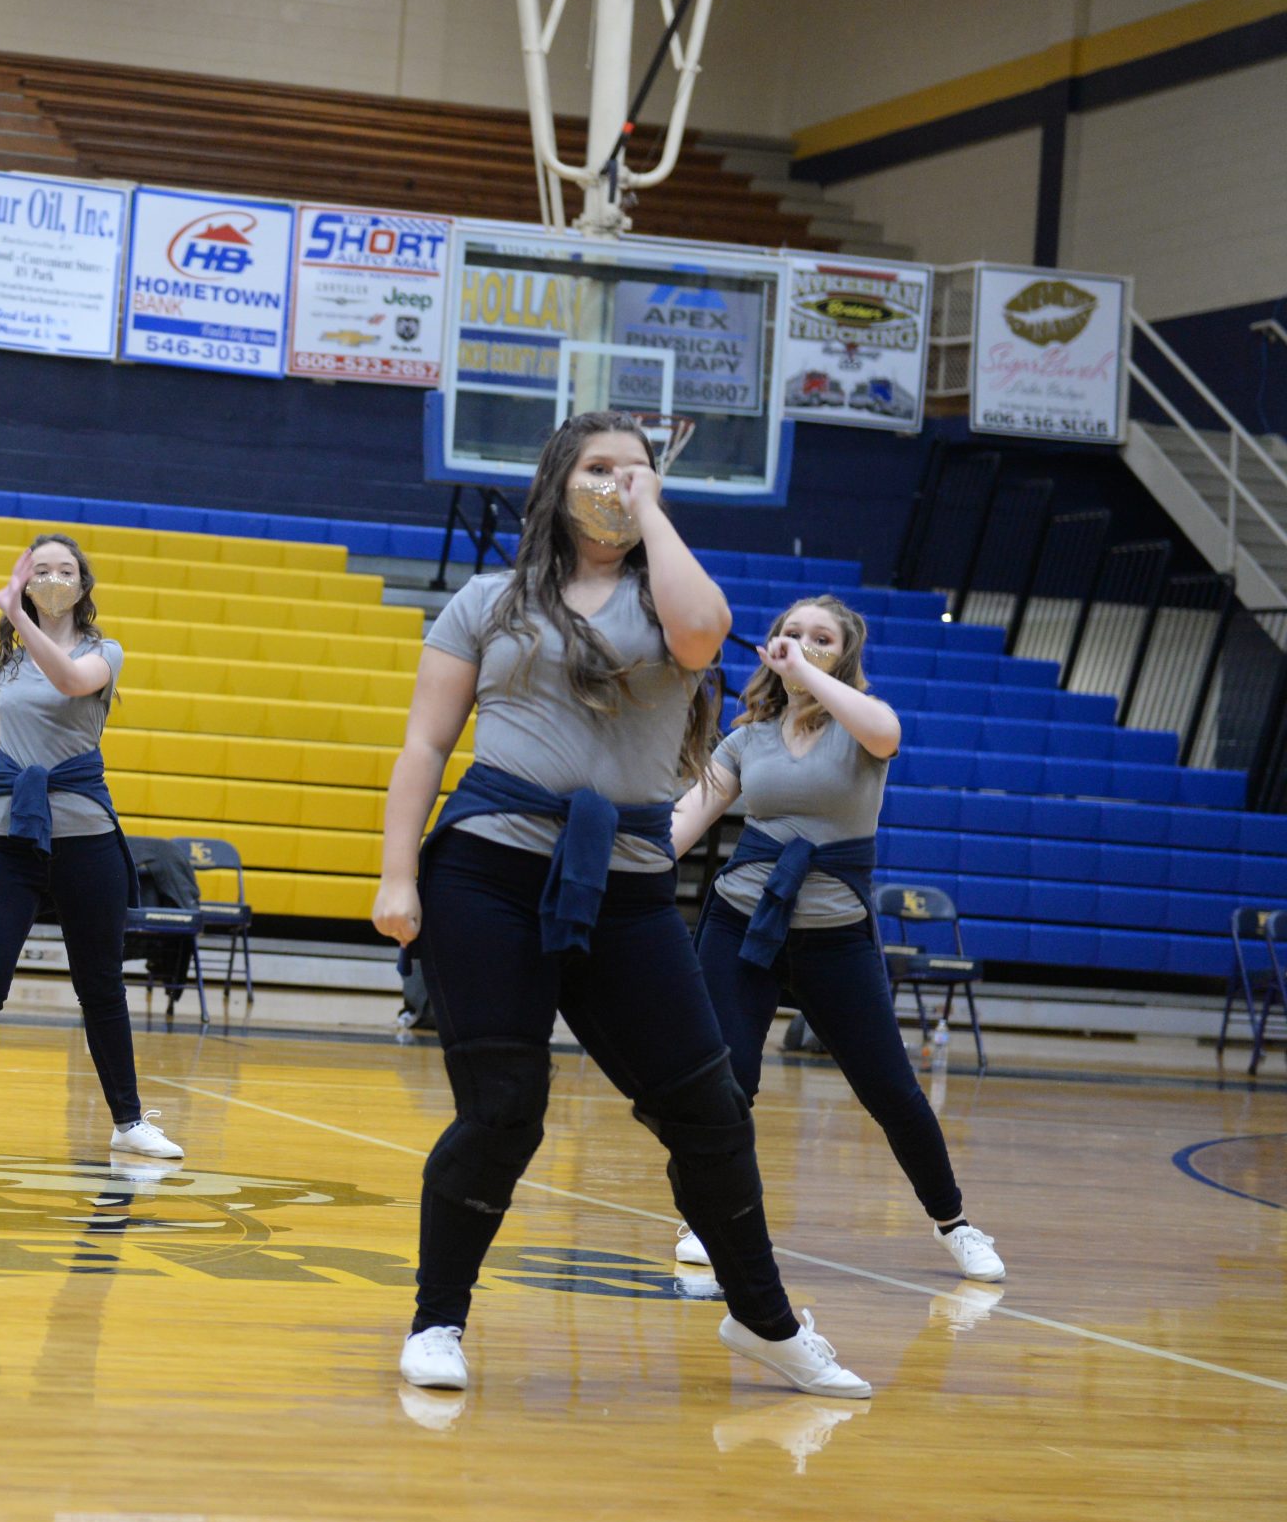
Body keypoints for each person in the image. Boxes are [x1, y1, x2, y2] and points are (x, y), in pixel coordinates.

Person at [371, 411, 865, 1399]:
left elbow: (703, 631)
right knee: (503, 1109)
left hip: (629, 884)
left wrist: (651, 513)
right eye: (597, 467)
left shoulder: (668, 598)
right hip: (486, 872)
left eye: (635, 471)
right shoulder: (486, 600)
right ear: (557, 481)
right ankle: (437, 1319)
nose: (615, 483)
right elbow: (425, 742)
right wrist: (397, 875)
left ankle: (764, 1321)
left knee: (710, 1111)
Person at [671, 595, 1004, 1283]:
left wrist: (808, 674)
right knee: (726, 1082)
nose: (802, 643)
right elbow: (683, 821)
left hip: (835, 933)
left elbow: (886, 731)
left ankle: (955, 1221)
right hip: (741, 921)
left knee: (891, 1090)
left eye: (821, 637)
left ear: (845, 656)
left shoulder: (861, 724)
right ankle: (709, 1215)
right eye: (790, 632)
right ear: (770, 647)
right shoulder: (746, 739)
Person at [0, 535, 182, 1161]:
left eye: (66, 570)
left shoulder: (104, 652)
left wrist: (17, 620)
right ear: (26, 584)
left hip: (87, 839)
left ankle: (128, 1121)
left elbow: (68, 679)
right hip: (5, 838)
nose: (54, 579)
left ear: (83, 586)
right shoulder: (4, 668)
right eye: (42, 570)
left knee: (101, 985)